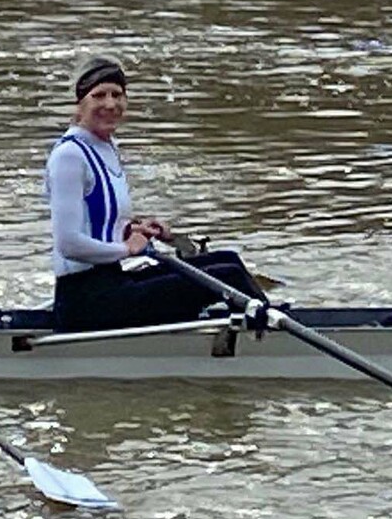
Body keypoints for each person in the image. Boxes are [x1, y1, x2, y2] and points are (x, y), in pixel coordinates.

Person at [46, 55, 269, 332]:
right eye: (99, 95)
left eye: (117, 94)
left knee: (227, 260)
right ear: (79, 103)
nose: (110, 104)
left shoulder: (105, 147)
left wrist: (133, 229)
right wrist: (127, 248)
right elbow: (68, 244)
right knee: (229, 277)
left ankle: (259, 322)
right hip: (85, 302)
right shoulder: (69, 156)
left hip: (112, 282)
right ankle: (268, 335)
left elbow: (95, 222)